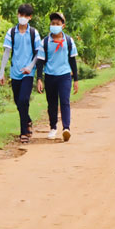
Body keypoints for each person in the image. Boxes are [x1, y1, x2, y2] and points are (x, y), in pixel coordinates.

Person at [0, 3, 43, 144]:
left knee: (24, 100)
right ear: (17, 15)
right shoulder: (11, 32)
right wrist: (1, 73)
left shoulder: (33, 33)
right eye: (20, 15)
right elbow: (7, 53)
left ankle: (24, 132)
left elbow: (38, 53)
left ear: (30, 17)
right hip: (15, 72)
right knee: (18, 102)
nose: (22, 18)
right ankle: (28, 121)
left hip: (28, 72)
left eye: (25, 16)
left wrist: (30, 67)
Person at [36, 11, 78, 142]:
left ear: (63, 26)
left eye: (57, 23)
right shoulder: (45, 42)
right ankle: (53, 127)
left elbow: (73, 60)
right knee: (52, 103)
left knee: (65, 101)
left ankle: (66, 128)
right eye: (52, 23)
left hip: (65, 75)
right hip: (50, 76)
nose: (54, 25)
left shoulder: (69, 41)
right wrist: (39, 79)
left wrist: (76, 79)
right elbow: (40, 61)